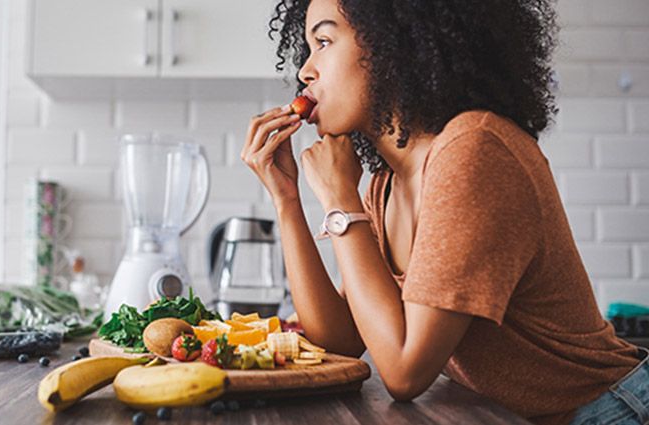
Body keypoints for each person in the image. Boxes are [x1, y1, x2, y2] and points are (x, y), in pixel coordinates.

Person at [241, 1, 647, 424]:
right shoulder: (388, 182)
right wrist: (286, 200)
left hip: (610, 412)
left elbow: (404, 372)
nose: (305, 70)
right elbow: (340, 340)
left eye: (323, 41)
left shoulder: (474, 150)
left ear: (392, 46)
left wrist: (340, 201)